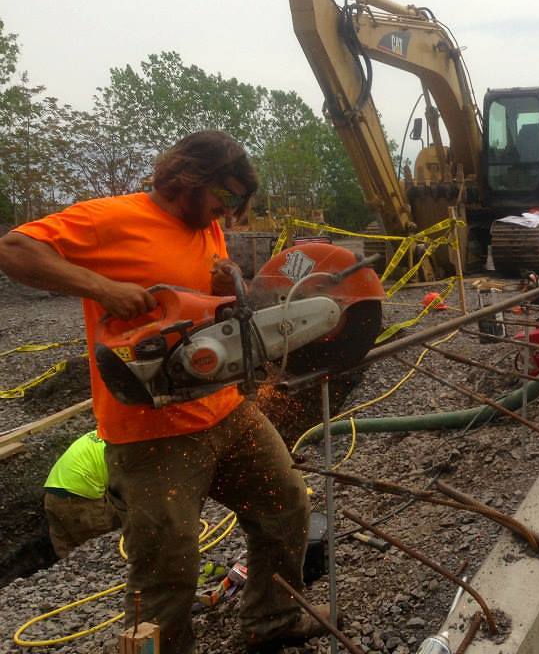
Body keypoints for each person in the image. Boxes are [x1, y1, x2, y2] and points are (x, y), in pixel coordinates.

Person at [0, 131, 324, 653]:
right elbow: (13, 249)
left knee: (285, 504)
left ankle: (274, 618)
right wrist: (103, 288)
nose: (230, 210)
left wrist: (228, 283)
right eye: (226, 196)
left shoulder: (207, 226)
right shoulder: (111, 219)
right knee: (166, 565)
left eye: (238, 202)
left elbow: (207, 309)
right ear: (187, 178)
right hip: (152, 432)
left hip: (225, 411)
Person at [44, 430, 121, 558]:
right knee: (99, 548)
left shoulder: (102, 432)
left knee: (66, 550)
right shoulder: (125, 446)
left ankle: (68, 575)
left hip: (53, 495)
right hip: (79, 498)